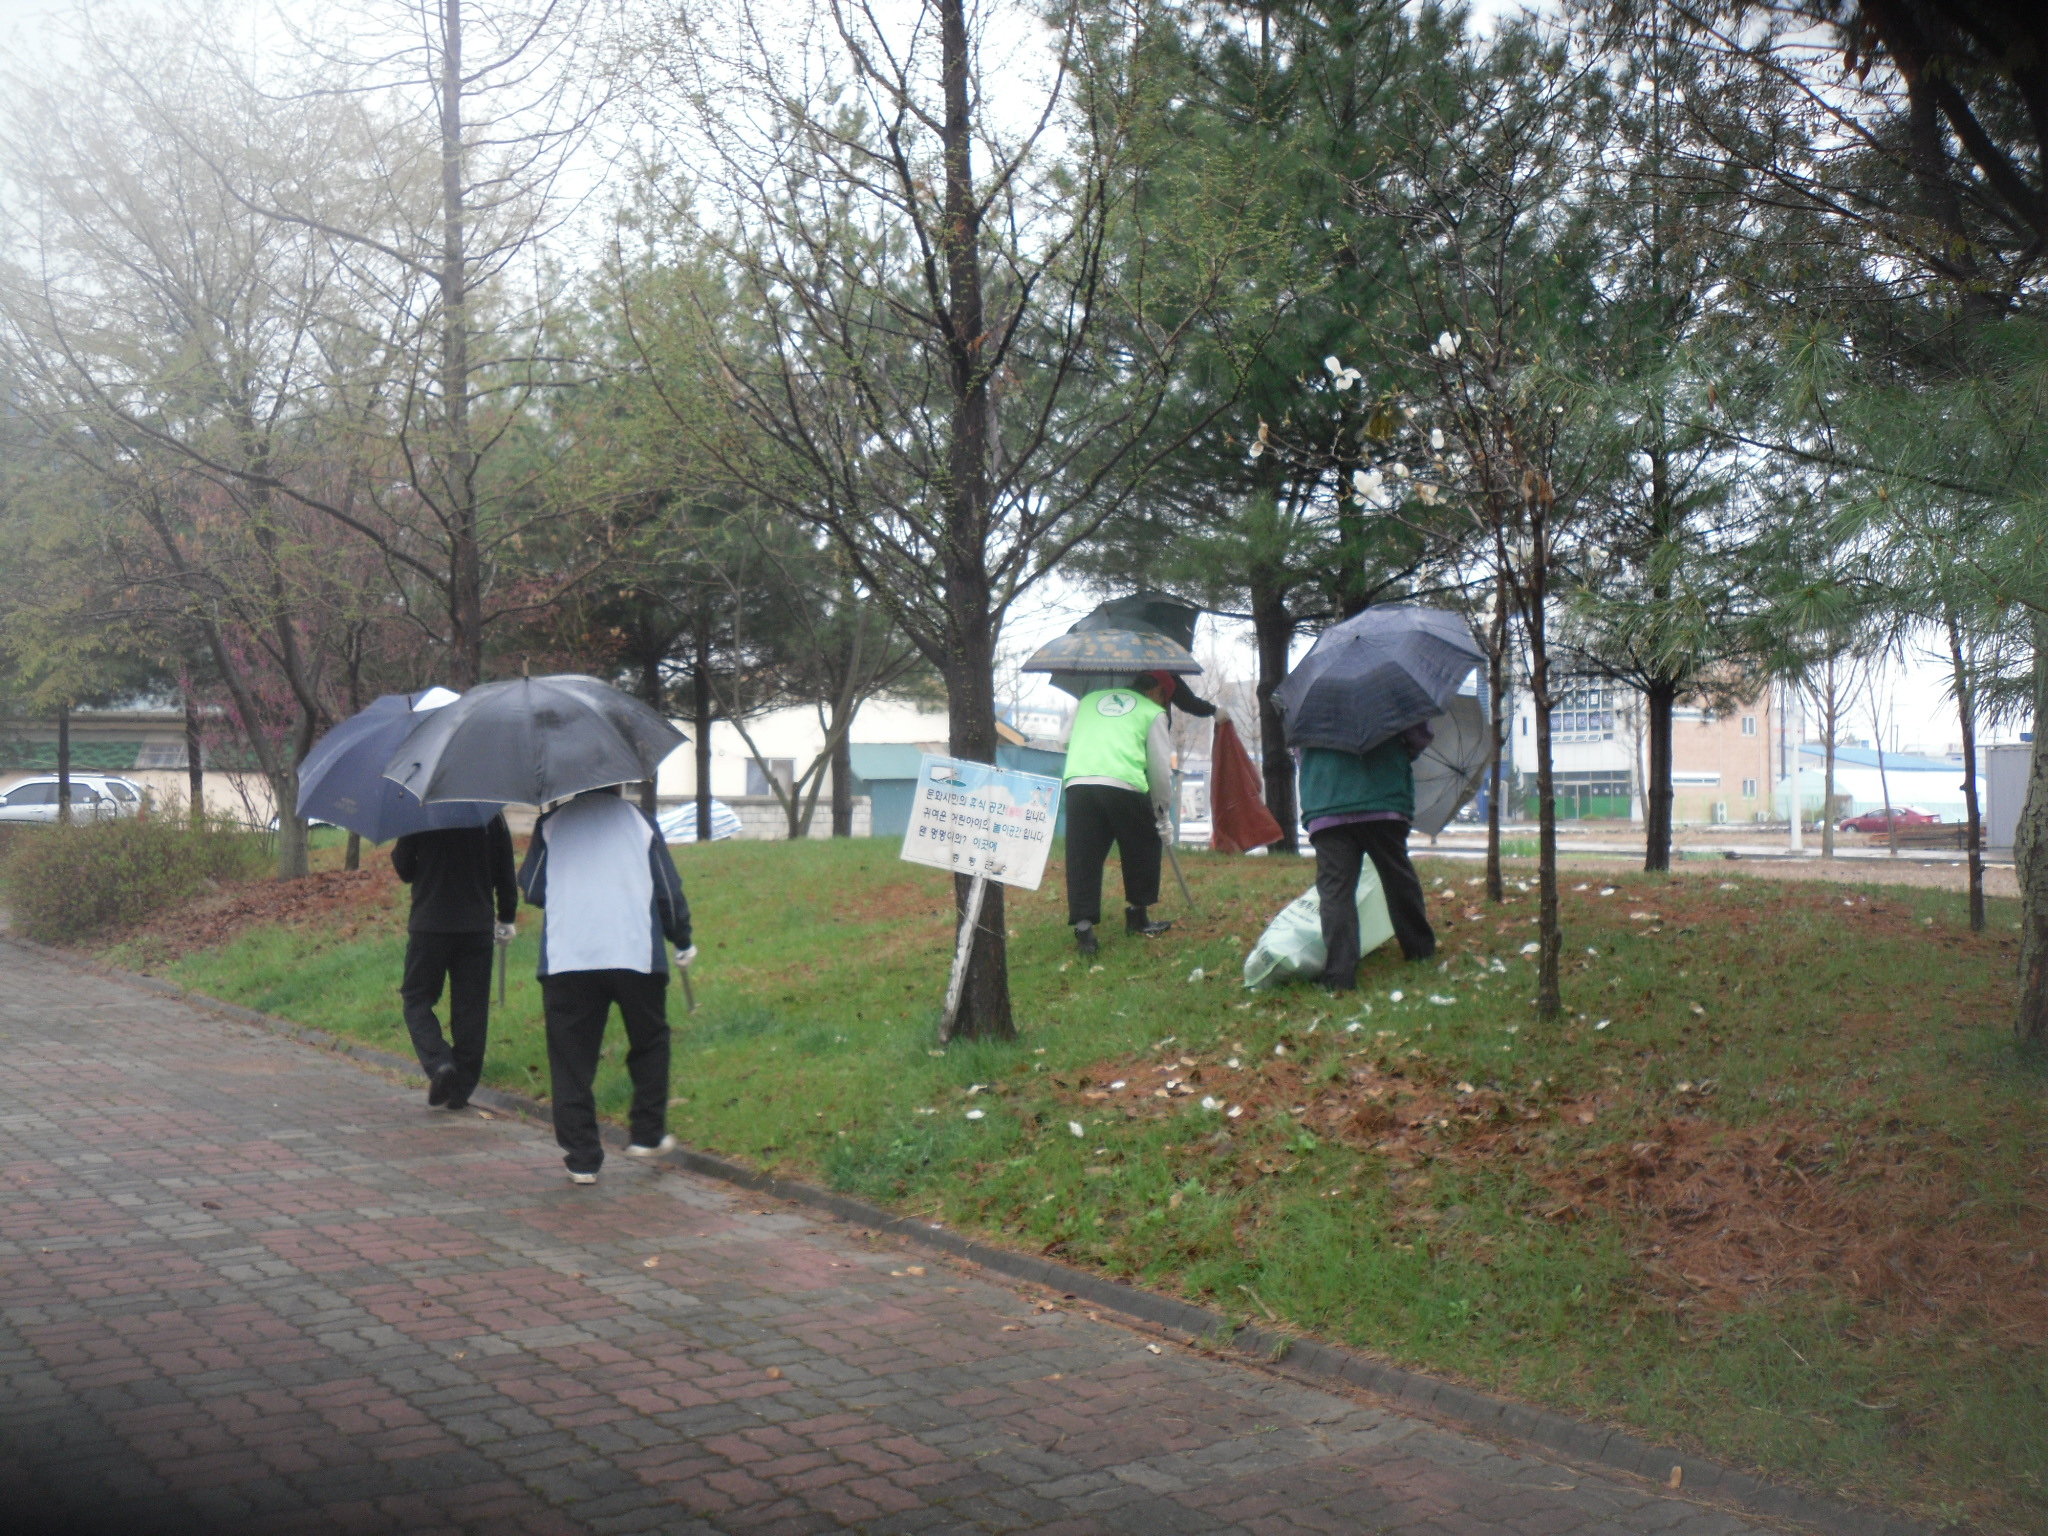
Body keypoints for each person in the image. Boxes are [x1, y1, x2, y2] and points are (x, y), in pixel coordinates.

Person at [517, 784, 693, 1185]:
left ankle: (582, 1159)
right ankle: (647, 1133)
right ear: (619, 781)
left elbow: (532, 888)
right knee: (649, 1040)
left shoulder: (551, 824)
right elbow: (668, 890)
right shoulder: (640, 822)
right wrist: (682, 939)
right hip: (634, 951)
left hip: (569, 957)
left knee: (571, 1060)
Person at [391, 814, 518, 1110]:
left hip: (430, 924)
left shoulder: (422, 813)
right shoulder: (490, 816)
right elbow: (505, 871)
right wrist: (507, 916)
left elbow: (405, 869)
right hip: (476, 926)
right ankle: (460, 1089)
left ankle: (439, 1063)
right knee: (471, 1009)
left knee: (416, 998)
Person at [1298, 723, 1437, 990]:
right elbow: (1419, 736)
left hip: (1328, 801)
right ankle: (1420, 950)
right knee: (1398, 877)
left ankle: (1339, 976)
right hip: (1382, 798)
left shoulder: (1306, 700)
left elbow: (1299, 751)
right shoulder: (1389, 690)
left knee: (1336, 890)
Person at [1061, 670, 1178, 956]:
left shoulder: (1088, 701)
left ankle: (1084, 930)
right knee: (1141, 847)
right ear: (1159, 692)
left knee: (1082, 856)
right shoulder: (1153, 712)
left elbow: (1064, 740)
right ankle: (1138, 917)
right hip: (1124, 783)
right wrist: (1162, 812)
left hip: (1079, 781)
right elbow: (1160, 770)